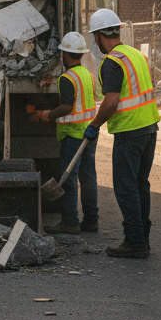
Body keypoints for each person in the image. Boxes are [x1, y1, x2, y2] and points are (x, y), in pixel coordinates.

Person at [83, 8, 159, 258]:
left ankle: (135, 241)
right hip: (149, 127)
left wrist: (94, 125)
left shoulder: (112, 62)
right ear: (117, 31)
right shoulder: (136, 55)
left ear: (97, 37)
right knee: (140, 185)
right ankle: (142, 236)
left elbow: (111, 101)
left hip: (130, 131)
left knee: (126, 187)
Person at [35, 31, 100, 233]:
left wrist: (48, 115)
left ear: (65, 54)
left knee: (69, 179)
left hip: (73, 135)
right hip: (90, 133)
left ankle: (70, 221)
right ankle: (91, 220)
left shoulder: (66, 78)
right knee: (88, 178)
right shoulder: (87, 75)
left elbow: (67, 107)